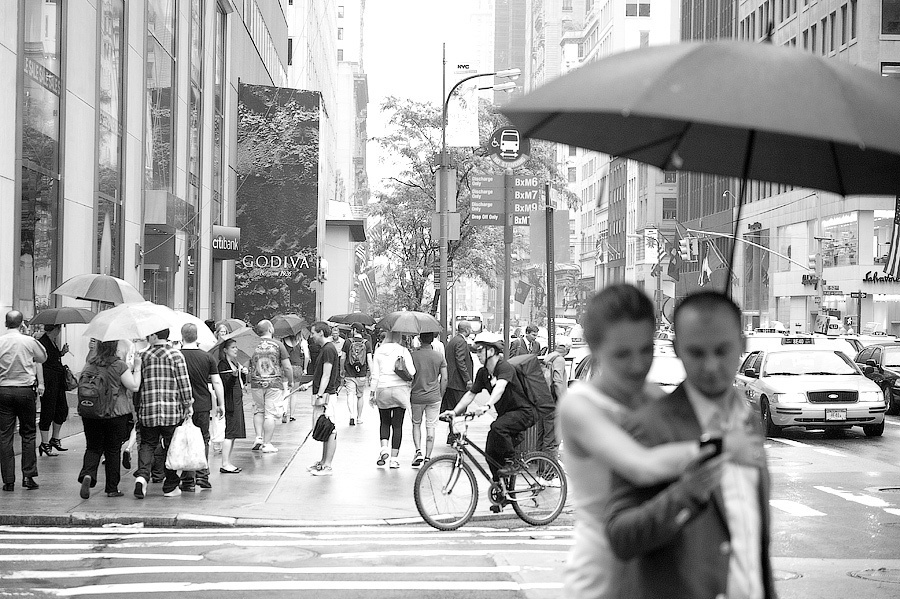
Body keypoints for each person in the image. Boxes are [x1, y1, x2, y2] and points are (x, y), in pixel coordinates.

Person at [605, 291, 775, 599]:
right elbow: (621, 537)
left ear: (743, 345)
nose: (711, 366)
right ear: (677, 350)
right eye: (696, 353)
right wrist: (686, 494)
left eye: (722, 351)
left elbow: (753, 544)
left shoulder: (748, 419)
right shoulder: (647, 427)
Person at [557, 284, 710, 599]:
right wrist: (715, 449)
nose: (638, 365)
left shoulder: (653, 394)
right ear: (594, 348)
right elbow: (643, 466)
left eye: (646, 350)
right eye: (622, 354)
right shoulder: (579, 405)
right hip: (603, 568)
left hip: (656, 557)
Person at [441, 331, 533, 488]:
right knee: (490, 452)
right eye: (476, 351)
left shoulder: (505, 367)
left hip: (523, 412)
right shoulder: (483, 373)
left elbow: (500, 387)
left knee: (498, 427)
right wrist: (455, 412)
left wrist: (487, 405)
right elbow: (470, 393)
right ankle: (500, 488)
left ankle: (511, 463)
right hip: (506, 414)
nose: (477, 354)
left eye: (480, 350)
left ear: (491, 351)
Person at [77, 340, 141, 499]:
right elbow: (134, 386)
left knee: (92, 447)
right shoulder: (119, 366)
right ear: (115, 348)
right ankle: (112, 488)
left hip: (91, 412)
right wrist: (138, 367)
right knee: (112, 450)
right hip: (115, 413)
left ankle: (88, 474)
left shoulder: (90, 364)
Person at [133, 328, 193, 499]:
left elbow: (137, 384)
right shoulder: (176, 355)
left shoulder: (142, 356)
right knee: (171, 447)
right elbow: (184, 382)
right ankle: (170, 486)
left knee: (147, 444)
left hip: (148, 410)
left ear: (153, 335)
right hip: (171, 411)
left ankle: (142, 476)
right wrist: (188, 404)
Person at [0, 310, 47, 491]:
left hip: (4, 390)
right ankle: (28, 476)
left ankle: (8, 480)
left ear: (6, 323)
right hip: (25, 391)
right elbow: (42, 357)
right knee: (28, 433)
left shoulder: (1, 341)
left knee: (5, 435)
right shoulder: (29, 341)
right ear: (22, 324)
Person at [178, 323, 225, 492]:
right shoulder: (207, 358)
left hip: (181, 405)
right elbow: (217, 381)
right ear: (196, 336)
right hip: (203, 404)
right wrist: (221, 403)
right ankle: (202, 475)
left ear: (182, 336)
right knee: (203, 439)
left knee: (185, 440)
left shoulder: (176, 356)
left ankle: (187, 478)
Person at [369, 330, 415, 469]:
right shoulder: (403, 350)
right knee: (397, 425)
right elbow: (412, 371)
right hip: (400, 390)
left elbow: (375, 375)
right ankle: (394, 459)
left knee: (384, 422)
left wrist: (372, 392)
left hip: (383, 388)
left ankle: (384, 449)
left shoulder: (379, 351)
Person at [301, 321, 341, 476]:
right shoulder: (327, 349)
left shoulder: (329, 349)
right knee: (324, 428)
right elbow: (321, 374)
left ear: (321, 333)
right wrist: (311, 384)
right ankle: (323, 462)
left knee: (330, 428)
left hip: (327, 395)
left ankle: (328, 465)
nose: (312, 336)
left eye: (313, 333)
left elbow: (327, 374)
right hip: (324, 393)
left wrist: (320, 394)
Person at [248, 320, 293, 453]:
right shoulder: (278, 345)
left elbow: (247, 364)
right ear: (270, 329)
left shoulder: (252, 345)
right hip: (274, 383)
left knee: (258, 410)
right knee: (270, 414)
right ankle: (267, 443)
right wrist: (290, 381)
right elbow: (287, 366)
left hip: (256, 382)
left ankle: (258, 437)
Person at [409, 332, 447, 467]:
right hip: (434, 396)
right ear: (433, 339)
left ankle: (418, 450)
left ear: (420, 339)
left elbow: (409, 376)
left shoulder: (413, 355)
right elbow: (445, 378)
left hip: (417, 396)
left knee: (416, 424)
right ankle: (428, 457)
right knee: (431, 426)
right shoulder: (439, 356)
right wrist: (440, 394)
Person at [37, 324, 70, 456]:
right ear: (54, 329)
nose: (60, 331)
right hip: (49, 381)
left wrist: (61, 353)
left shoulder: (52, 342)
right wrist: (41, 383)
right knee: (48, 410)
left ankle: (55, 438)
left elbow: (52, 358)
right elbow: (41, 362)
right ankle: (44, 443)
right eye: (59, 328)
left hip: (58, 381)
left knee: (62, 409)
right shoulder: (42, 343)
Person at [217, 338, 247, 473]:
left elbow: (241, 382)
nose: (236, 350)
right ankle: (225, 462)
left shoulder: (235, 363)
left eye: (236, 347)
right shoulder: (223, 365)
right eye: (233, 347)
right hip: (230, 401)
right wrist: (233, 376)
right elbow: (224, 384)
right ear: (225, 350)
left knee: (234, 432)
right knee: (230, 432)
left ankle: (228, 461)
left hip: (237, 400)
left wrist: (243, 374)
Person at [441, 322, 473, 445]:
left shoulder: (453, 341)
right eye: (469, 328)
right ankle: (458, 436)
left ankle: (452, 435)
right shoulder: (460, 342)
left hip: (451, 382)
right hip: (458, 383)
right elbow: (461, 361)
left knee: (453, 410)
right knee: (460, 410)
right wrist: (467, 379)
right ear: (466, 329)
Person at [539, 335, 570, 459]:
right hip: (554, 404)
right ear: (567, 349)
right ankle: (549, 473)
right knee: (552, 441)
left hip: (544, 401)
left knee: (543, 438)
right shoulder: (560, 360)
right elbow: (557, 382)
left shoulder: (549, 356)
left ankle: (541, 470)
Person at [341, 322, 373, 426]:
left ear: (354, 330)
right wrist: (371, 373)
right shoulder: (366, 343)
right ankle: (359, 418)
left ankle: (351, 415)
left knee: (350, 394)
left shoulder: (347, 342)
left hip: (349, 373)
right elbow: (369, 359)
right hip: (362, 374)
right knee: (360, 396)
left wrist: (342, 369)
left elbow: (343, 357)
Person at [282, 332, 306, 422]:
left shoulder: (283, 341)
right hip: (297, 367)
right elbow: (306, 356)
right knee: (294, 393)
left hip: (285, 367)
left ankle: (284, 412)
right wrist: (305, 368)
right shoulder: (301, 341)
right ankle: (292, 415)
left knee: (285, 391)